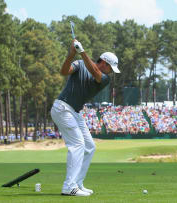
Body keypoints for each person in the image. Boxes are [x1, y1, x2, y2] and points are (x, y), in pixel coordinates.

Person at [50, 39, 120, 196]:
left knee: (90, 147)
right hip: (62, 108)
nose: (111, 72)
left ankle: (77, 183)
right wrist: (71, 55)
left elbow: (95, 72)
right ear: (104, 63)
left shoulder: (104, 78)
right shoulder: (80, 64)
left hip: (75, 112)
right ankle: (69, 186)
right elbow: (64, 71)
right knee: (78, 144)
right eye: (110, 68)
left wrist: (82, 52)